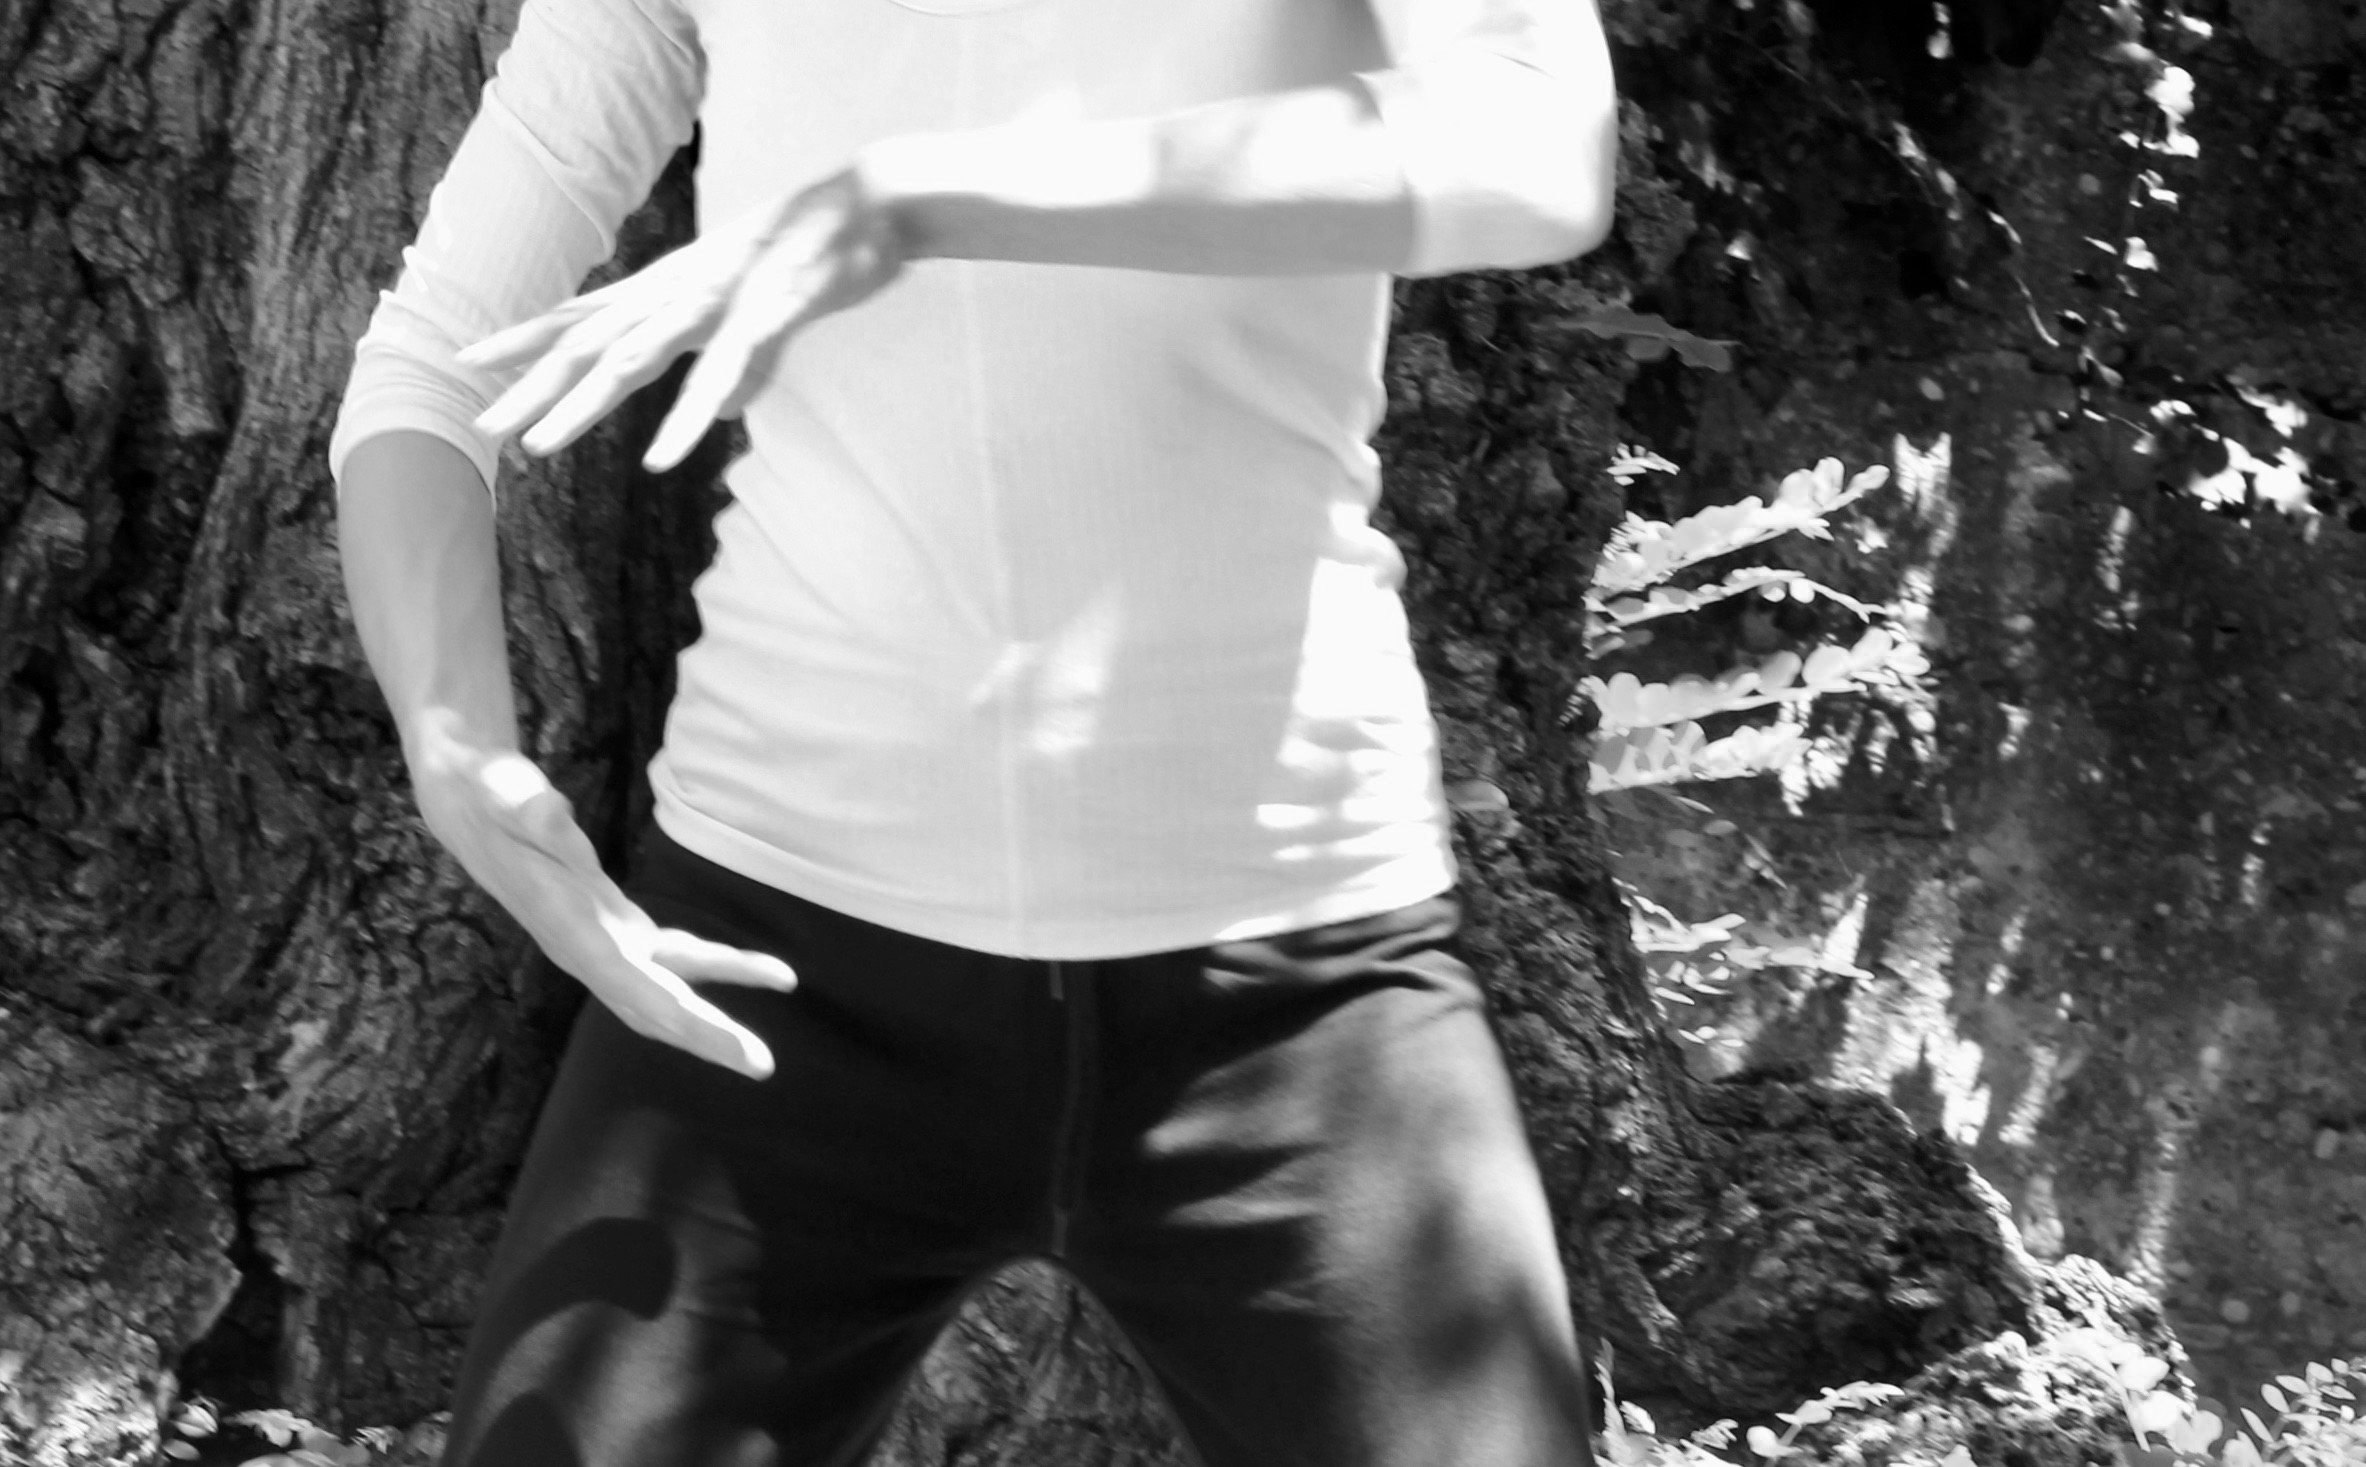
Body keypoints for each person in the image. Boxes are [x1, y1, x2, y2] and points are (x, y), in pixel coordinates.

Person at [330, 0, 1619, 1460]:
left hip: (1296, 991)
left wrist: (917, 199)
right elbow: (433, 362)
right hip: (767, 982)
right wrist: (453, 739)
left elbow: (1536, 140)